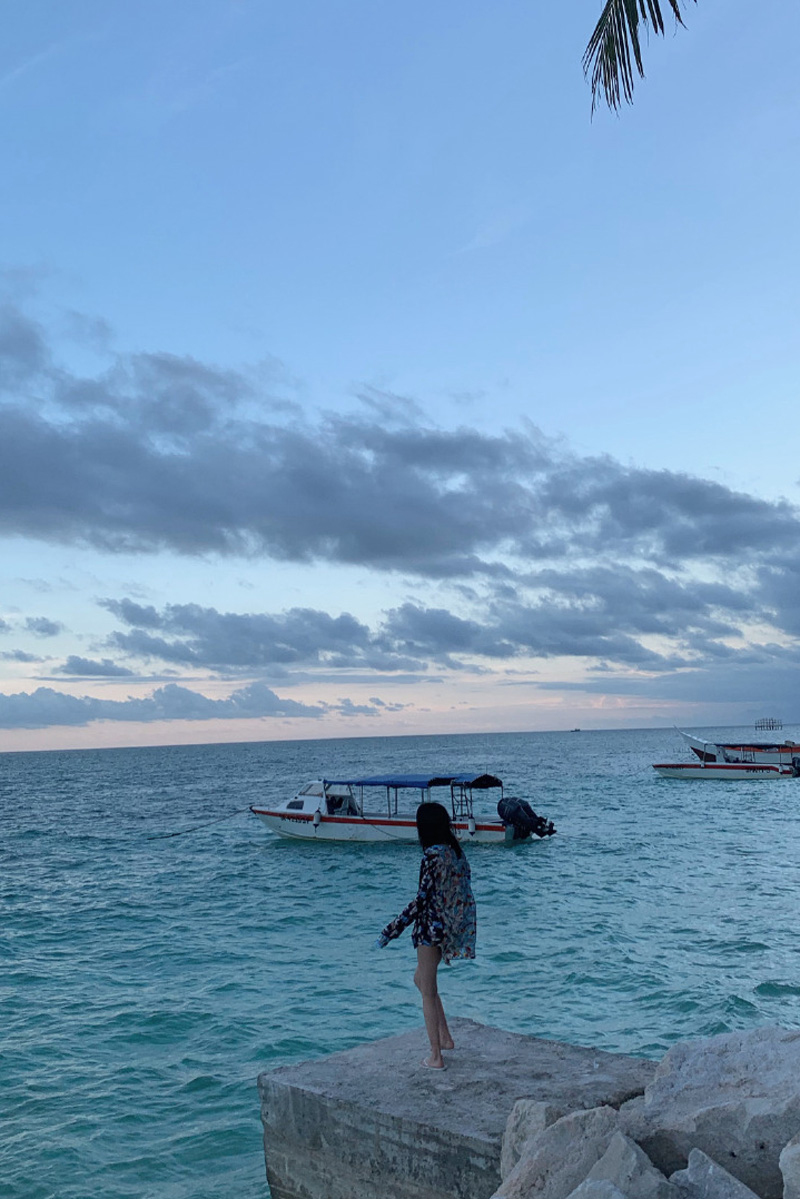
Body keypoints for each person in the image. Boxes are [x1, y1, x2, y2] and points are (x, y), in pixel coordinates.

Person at [376, 801, 476, 1069]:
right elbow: (464, 895)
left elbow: (421, 900)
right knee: (421, 979)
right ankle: (445, 1038)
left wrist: (392, 929)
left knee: (427, 991)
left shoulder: (431, 857)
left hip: (429, 931)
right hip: (445, 928)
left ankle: (436, 1056)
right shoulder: (456, 854)